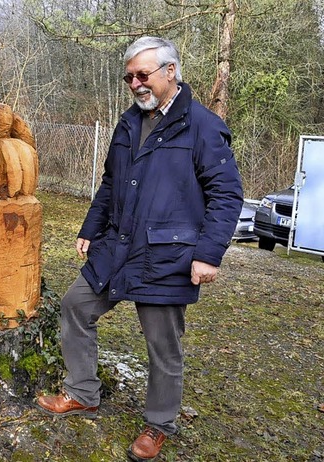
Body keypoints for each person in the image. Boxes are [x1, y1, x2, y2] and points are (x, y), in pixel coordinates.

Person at [37, 36, 243, 462]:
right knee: (76, 305)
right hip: (117, 247)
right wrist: (90, 228)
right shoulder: (130, 122)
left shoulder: (203, 126)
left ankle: (159, 424)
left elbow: (227, 195)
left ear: (171, 72)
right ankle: (82, 392)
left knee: (163, 348)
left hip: (168, 256)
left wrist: (208, 254)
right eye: (129, 76)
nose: (134, 83)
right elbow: (111, 183)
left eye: (142, 74)